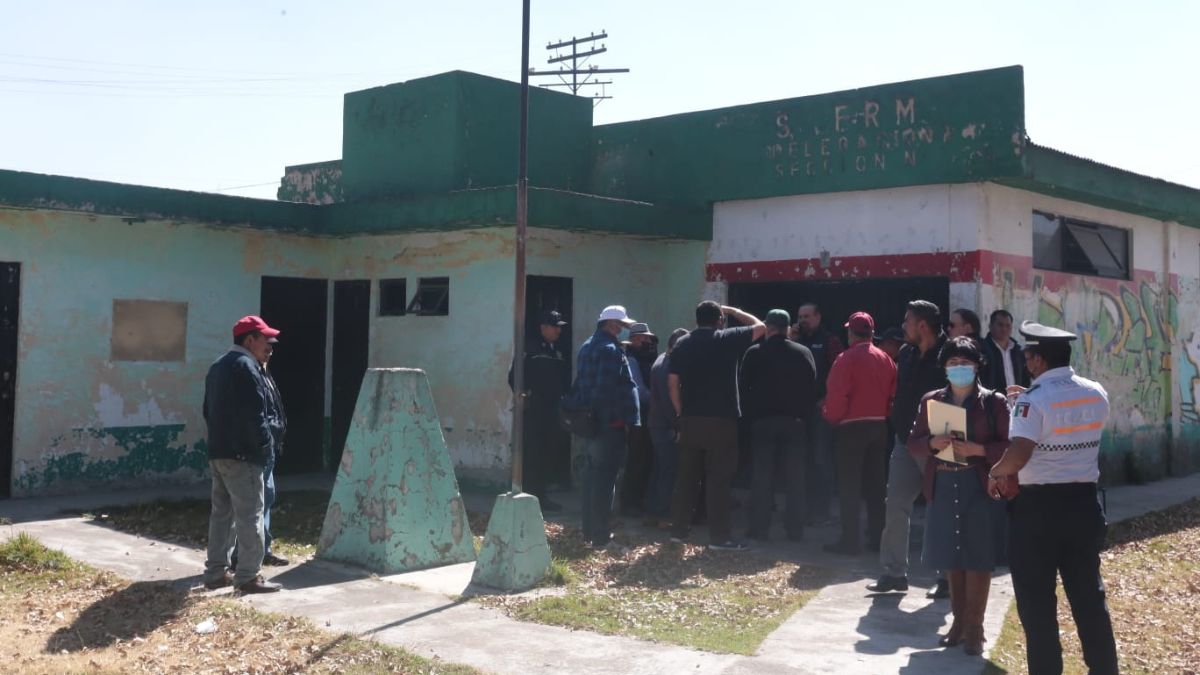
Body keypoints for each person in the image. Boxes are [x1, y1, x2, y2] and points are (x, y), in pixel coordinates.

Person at [987, 322, 1119, 675]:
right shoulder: (1095, 392)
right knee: (1089, 598)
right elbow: (1066, 426)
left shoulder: (1033, 401)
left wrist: (996, 472)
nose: (1026, 361)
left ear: (1036, 360)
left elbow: (1020, 454)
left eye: (1028, 355)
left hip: (1037, 512)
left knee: (1037, 604)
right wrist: (1023, 403)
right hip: (1083, 504)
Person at [907, 337, 1009, 655]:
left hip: (979, 484)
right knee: (952, 556)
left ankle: (975, 629)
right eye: (953, 364)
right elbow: (913, 442)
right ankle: (959, 623)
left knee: (978, 556)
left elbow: (1011, 446)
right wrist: (932, 444)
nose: (959, 369)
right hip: (943, 481)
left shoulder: (994, 403)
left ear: (977, 366)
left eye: (965, 363)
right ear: (944, 367)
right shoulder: (932, 401)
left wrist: (979, 449)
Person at [668, 301, 767, 551]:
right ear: (719, 320)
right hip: (721, 421)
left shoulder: (682, 344)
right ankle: (719, 538)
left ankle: (678, 531)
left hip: (690, 419)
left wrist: (680, 412)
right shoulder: (727, 338)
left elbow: (672, 383)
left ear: (697, 319)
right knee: (719, 480)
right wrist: (734, 311)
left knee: (686, 478)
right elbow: (761, 326)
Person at [870, 300, 950, 596]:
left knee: (942, 507)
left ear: (922, 326)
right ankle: (894, 573)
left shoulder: (951, 355)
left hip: (941, 437)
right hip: (906, 440)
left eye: (907, 321)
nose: (903, 326)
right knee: (895, 504)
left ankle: (948, 578)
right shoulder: (906, 353)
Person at [202, 315, 284, 594]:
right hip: (244, 455)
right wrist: (264, 446)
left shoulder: (218, 365)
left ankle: (215, 572)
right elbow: (255, 415)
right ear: (250, 340)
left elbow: (207, 411)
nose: (270, 345)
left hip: (219, 452)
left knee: (222, 514)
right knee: (251, 515)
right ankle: (248, 576)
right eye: (266, 340)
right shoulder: (247, 367)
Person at [561, 305, 640, 548]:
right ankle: (600, 537)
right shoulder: (609, 349)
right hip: (608, 424)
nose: (624, 329)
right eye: (621, 325)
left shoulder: (588, 346)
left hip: (592, 423)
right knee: (604, 481)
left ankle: (590, 532)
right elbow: (605, 391)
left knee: (592, 478)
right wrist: (618, 419)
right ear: (610, 325)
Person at [822, 311, 896, 555]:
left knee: (849, 486)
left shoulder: (846, 358)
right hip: (879, 426)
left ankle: (850, 541)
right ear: (873, 333)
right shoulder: (886, 358)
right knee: (876, 486)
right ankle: (878, 539)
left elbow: (836, 394)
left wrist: (831, 418)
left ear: (851, 332)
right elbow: (892, 395)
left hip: (851, 428)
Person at [740, 309, 817, 542]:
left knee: (762, 477)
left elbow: (743, 388)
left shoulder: (754, 353)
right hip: (795, 423)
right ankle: (795, 530)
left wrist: (748, 418)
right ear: (787, 327)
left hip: (763, 422)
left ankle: (759, 529)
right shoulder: (804, 353)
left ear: (768, 327)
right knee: (795, 478)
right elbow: (812, 387)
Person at [509, 310, 572, 512]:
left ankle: (541, 496)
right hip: (534, 409)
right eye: (555, 327)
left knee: (547, 451)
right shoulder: (530, 349)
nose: (559, 331)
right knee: (533, 452)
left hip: (552, 408)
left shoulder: (557, 350)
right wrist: (523, 394)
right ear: (543, 327)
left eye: (560, 327)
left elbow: (562, 380)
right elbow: (514, 377)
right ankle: (529, 495)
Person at [793, 303, 845, 524]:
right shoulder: (795, 340)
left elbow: (841, 371)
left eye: (807, 316)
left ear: (818, 316)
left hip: (820, 411)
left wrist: (828, 398)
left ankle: (822, 512)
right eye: (800, 316)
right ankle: (800, 510)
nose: (803, 320)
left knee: (820, 459)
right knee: (799, 459)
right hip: (797, 411)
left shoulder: (830, 341)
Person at [646, 328, 688, 526]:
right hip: (666, 426)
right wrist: (678, 426)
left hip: (658, 424)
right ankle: (662, 515)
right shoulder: (668, 366)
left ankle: (653, 512)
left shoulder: (662, 359)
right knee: (668, 472)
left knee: (660, 470)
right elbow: (669, 401)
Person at [620, 322, 657, 517]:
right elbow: (639, 391)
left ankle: (637, 501)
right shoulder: (631, 360)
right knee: (637, 459)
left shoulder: (644, 358)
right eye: (644, 338)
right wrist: (660, 400)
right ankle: (629, 503)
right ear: (634, 340)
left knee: (644, 459)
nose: (648, 341)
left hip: (645, 415)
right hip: (637, 417)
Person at [259, 353, 289, 567]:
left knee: (266, 498)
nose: (270, 350)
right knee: (253, 504)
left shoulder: (264, 372)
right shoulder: (249, 372)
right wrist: (263, 441)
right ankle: (241, 558)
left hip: (268, 449)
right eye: (266, 344)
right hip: (256, 451)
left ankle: (263, 549)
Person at [980, 309, 1030, 394]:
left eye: (1008, 325)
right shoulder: (982, 350)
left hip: (1017, 404)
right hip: (992, 403)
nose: (1004, 329)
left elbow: (1025, 378)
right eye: (1000, 325)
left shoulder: (1018, 351)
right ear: (990, 326)